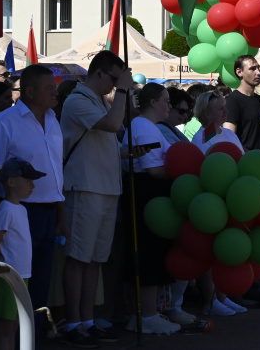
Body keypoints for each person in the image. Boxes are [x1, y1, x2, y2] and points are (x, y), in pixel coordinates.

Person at [59, 50, 132, 346]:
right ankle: (73, 322)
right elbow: (113, 125)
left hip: (106, 187)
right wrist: (125, 91)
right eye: (114, 78)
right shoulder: (78, 100)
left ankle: (87, 321)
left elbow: (109, 141)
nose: (116, 85)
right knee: (78, 258)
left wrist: (129, 152)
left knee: (94, 261)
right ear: (99, 72)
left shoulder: (101, 100)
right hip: (84, 187)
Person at [0, 65, 65, 337]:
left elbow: (56, 170)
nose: (55, 92)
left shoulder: (54, 120)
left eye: (55, 87)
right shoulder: (4, 122)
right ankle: (15, 337)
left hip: (48, 211)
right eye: (49, 88)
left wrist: (60, 213)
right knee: (19, 279)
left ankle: (34, 336)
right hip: (18, 212)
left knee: (42, 277)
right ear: (29, 91)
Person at [118, 84, 184, 333]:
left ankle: (146, 313)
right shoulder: (144, 126)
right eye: (166, 100)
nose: (169, 105)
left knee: (152, 253)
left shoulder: (149, 126)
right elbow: (153, 168)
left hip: (151, 195)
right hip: (145, 194)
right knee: (147, 253)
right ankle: (146, 314)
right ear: (153, 102)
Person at [0, 158, 44, 350]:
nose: (32, 185)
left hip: (22, 276)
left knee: (14, 324)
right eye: (28, 180)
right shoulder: (5, 209)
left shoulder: (21, 209)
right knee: (6, 325)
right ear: (11, 182)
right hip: (8, 277)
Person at [225, 56, 260, 153]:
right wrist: (249, 156)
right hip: (244, 162)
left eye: (258, 68)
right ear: (239, 72)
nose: (258, 72)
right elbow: (229, 137)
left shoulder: (259, 100)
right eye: (252, 69)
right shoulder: (232, 100)